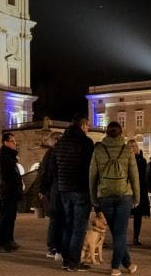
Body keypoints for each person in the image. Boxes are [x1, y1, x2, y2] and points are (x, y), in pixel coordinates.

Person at [90, 122, 139, 276]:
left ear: (106, 132)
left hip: (104, 195)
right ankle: (115, 267)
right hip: (124, 195)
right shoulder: (127, 150)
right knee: (120, 234)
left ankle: (128, 264)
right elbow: (134, 175)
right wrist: (137, 196)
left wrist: (93, 197)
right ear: (120, 133)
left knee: (116, 232)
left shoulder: (98, 150)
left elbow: (92, 176)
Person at [55, 113, 95, 272]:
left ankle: (66, 260)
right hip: (80, 188)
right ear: (82, 126)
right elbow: (89, 168)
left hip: (64, 188)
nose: (89, 128)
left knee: (68, 224)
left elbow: (55, 166)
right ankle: (73, 262)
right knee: (79, 227)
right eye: (87, 125)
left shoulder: (61, 143)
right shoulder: (85, 142)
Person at [0, 132, 22, 252]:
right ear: (5, 142)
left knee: (10, 217)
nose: (15, 144)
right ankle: (2, 242)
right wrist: (14, 184)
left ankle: (8, 240)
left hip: (10, 190)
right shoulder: (5, 156)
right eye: (13, 142)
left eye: (15, 142)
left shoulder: (9, 155)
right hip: (8, 191)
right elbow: (4, 175)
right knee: (6, 217)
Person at [38, 131, 63, 260]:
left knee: (55, 218)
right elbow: (45, 173)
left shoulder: (51, 153)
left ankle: (54, 245)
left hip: (54, 188)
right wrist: (43, 189)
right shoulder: (50, 154)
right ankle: (52, 246)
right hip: (54, 189)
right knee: (55, 219)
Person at [128, 139, 150, 246]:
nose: (133, 147)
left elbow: (145, 176)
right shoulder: (125, 159)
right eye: (131, 146)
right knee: (124, 215)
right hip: (127, 190)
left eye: (134, 145)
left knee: (138, 215)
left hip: (140, 190)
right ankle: (121, 237)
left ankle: (136, 237)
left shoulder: (142, 160)